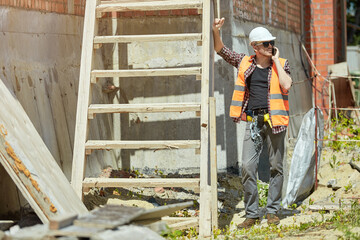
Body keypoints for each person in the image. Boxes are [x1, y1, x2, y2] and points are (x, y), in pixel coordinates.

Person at [212, 18, 292, 229]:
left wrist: (275, 61)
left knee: (276, 167)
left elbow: (286, 85)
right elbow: (221, 50)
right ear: (254, 47)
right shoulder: (244, 62)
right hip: (254, 122)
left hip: (276, 121)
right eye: (265, 44)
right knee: (248, 167)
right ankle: (252, 214)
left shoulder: (282, 64)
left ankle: (273, 211)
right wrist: (215, 31)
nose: (270, 46)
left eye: (271, 42)